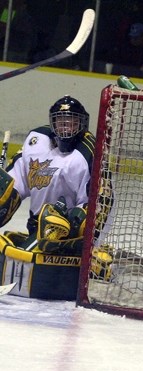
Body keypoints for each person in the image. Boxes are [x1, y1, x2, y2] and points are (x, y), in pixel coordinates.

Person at [0, 95, 96, 299]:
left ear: (82, 123)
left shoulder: (85, 155)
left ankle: (92, 262)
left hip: (64, 235)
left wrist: (73, 229)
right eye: (61, 122)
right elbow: (17, 180)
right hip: (36, 227)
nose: (66, 128)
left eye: (71, 122)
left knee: (23, 258)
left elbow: (93, 207)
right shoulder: (37, 141)